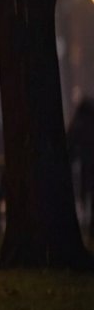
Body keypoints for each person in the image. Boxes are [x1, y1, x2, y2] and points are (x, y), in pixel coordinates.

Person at [69, 97, 94, 235]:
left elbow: (71, 144)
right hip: (89, 166)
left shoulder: (79, 124)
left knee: (86, 195)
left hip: (87, 166)